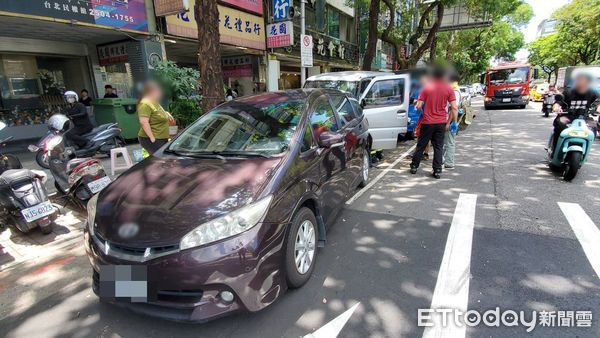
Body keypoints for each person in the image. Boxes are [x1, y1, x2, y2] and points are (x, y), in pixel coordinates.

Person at [410, 67, 458, 179]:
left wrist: (416, 103)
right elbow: (454, 107)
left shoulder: (427, 87)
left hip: (427, 122)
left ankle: (414, 167)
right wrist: (453, 122)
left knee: (421, 145)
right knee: (438, 146)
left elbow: (418, 106)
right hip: (441, 122)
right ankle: (437, 170)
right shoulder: (448, 88)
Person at [551, 72, 599, 154]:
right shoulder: (568, 92)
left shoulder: (592, 93)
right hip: (567, 116)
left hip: (584, 118)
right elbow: (558, 102)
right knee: (560, 125)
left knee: (593, 128)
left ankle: (586, 149)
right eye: (579, 80)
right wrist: (556, 107)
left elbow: (598, 102)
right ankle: (555, 150)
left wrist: (598, 108)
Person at [137, 81, 175, 155]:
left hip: (161, 138)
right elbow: (143, 122)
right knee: (160, 160)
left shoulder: (154, 102)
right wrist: (152, 138)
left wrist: (166, 113)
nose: (161, 93)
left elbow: (157, 113)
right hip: (152, 139)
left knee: (164, 158)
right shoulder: (145, 103)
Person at [443, 79, 462, 169]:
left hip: (450, 121)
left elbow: (454, 108)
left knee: (449, 142)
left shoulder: (455, 92)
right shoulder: (454, 90)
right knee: (443, 142)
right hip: (447, 120)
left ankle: (449, 162)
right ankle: (442, 160)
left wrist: (450, 122)